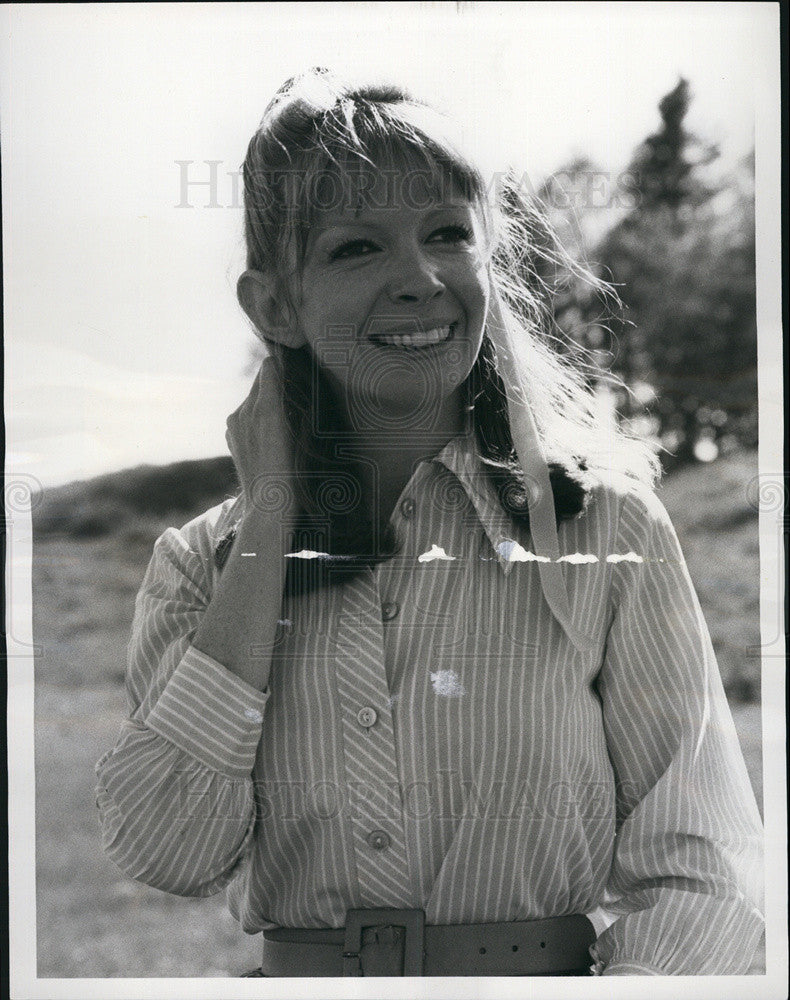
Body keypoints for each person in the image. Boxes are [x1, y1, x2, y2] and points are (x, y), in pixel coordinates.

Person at [95, 69, 764, 978]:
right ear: (275, 308)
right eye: (356, 248)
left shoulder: (610, 530)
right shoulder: (199, 565)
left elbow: (705, 875)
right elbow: (169, 851)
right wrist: (268, 531)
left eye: (448, 234)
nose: (419, 279)